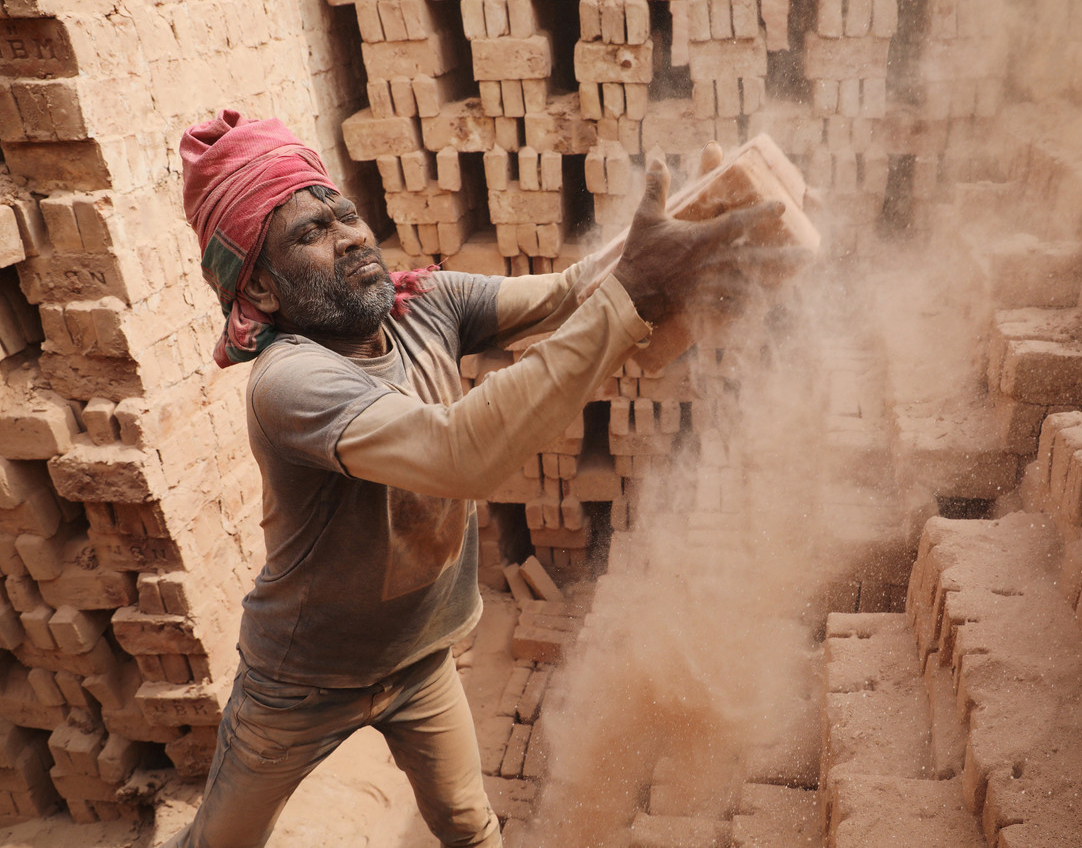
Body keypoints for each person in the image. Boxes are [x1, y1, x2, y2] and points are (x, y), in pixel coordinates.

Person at [161, 110, 781, 848]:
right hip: (301, 681)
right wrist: (632, 293)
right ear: (259, 289)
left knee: (468, 825)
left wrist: (694, 230)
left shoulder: (425, 303)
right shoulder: (290, 382)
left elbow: (571, 293)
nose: (352, 236)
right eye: (310, 234)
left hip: (419, 658)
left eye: (345, 214)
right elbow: (461, 453)